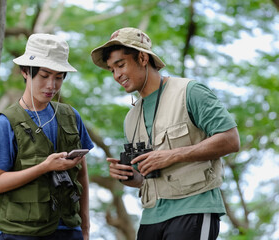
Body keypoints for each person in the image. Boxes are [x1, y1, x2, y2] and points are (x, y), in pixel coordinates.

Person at [91, 27, 240, 239]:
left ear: (142, 58)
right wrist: (128, 176)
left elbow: (231, 140)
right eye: (111, 69)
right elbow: (143, 180)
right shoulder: (131, 118)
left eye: (120, 65)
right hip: (151, 216)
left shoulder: (190, 92)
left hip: (194, 208)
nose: (116, 75)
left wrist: (173, 154)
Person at [0, 33, 94, 240]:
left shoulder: (71, 116)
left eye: (59, 77)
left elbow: (82, 176)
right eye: (44, 76)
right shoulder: (6, 122)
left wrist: (85, 228)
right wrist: (45, 167)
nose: (51, 85)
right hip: (20, 233)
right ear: (25, 72)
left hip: (69, 230)